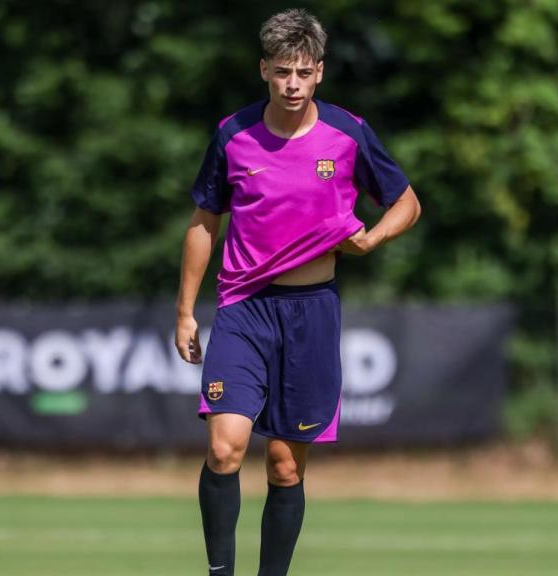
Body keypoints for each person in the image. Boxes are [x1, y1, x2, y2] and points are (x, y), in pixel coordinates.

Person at [174, 8, 421, 576]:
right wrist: (185, 311)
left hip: (312, 312)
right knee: (224, 448)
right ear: (264, 69)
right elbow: (203, 222)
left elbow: (407, 202)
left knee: (285, 467)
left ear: (320, 74)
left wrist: (372, 239)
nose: (292, 84)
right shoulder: (233, 135)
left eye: (303, 73)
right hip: (242, 307)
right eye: (282, 71)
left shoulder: (348, 133)